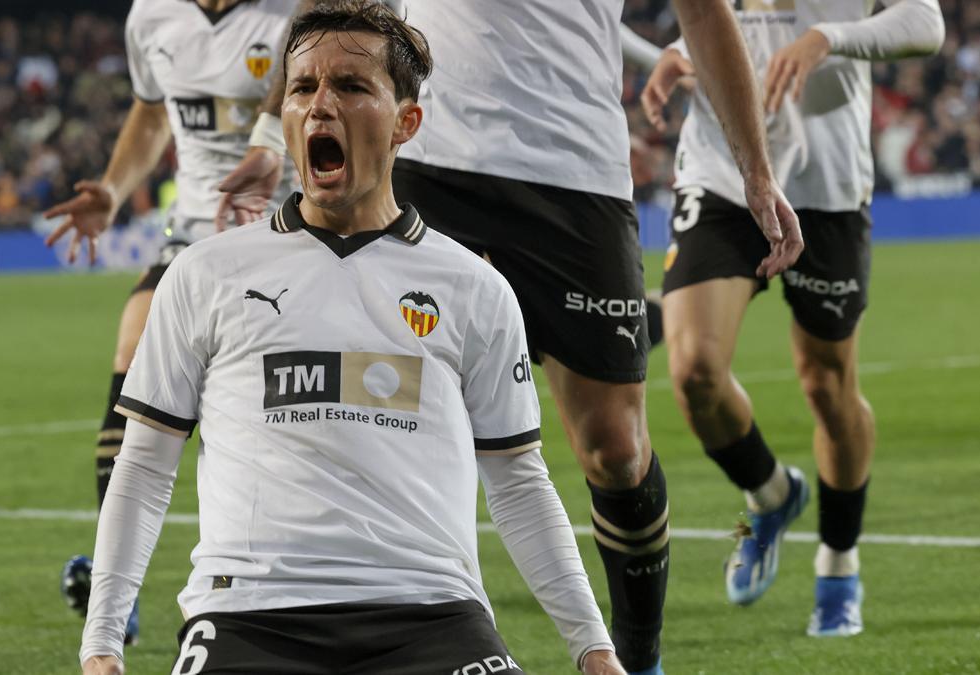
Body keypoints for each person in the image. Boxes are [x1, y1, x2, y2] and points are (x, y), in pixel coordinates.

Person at [220, 1, 806, 673]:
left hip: (574, 171)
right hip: (427, 158)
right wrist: (271, 134)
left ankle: (636, 659)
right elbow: (330, 12)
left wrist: (755, 172)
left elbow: (705, 14)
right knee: (377, 406)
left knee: (614, 448)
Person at [79, 3, 627, 674]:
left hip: (433, 617)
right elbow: (143, 466)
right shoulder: (205, 273)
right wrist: (100, 643)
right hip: (247, 616)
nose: (318, 106)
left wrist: (593, 647)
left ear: (407, 122)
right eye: (303, 87)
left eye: (351, 86)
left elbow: (517, 482)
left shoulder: (473, 289)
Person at [641, 0, 944, 636]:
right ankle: (772, 494)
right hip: (721, 171)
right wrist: (681, 52)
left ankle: (839, 560)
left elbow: (926, 23)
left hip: (825, 185)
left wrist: (824, 39)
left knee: (827, 386)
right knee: (694, 369)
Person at [43, 0, 299, 641]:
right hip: (190, 233)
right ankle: (115, 587)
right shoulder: (152, 17)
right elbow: (154, 109)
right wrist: (113, 188)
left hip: (292, 228)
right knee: (132, 360)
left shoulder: (295, 11)